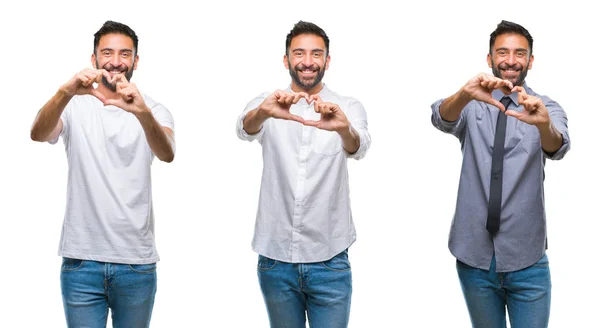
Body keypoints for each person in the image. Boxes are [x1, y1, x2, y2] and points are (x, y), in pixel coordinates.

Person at [30, 20, 175, 328]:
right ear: (94, 59)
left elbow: (167, 153)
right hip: (82, 262)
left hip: (136, 264)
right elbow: (38, 133)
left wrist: (141, 112)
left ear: (136, 61)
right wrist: (65, 91)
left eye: (125, 54)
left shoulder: (155, 110)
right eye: (107, 52)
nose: (115, 61)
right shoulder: (73, 105)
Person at [431, 20, 570, 328]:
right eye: (502, 52)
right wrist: (465, 93)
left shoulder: (546, 107)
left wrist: (542, 123)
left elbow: (557, 146)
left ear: (530, 60)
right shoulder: (471, 103)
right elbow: (441, 117)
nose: (510, 60)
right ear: (490, 58)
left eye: (520, 53)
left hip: (527, 260)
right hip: (474, 257)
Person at [236, 21, 371, 328]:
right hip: (275, 259)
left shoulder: (348, 106)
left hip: (330, 259)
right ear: (286, 60)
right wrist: (265, 112)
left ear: (327, 60)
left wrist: (343, 127)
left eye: (316, 54)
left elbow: (359, 145)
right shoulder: (267, 103)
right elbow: (244, 128)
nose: (307, 61)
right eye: (299, 53)